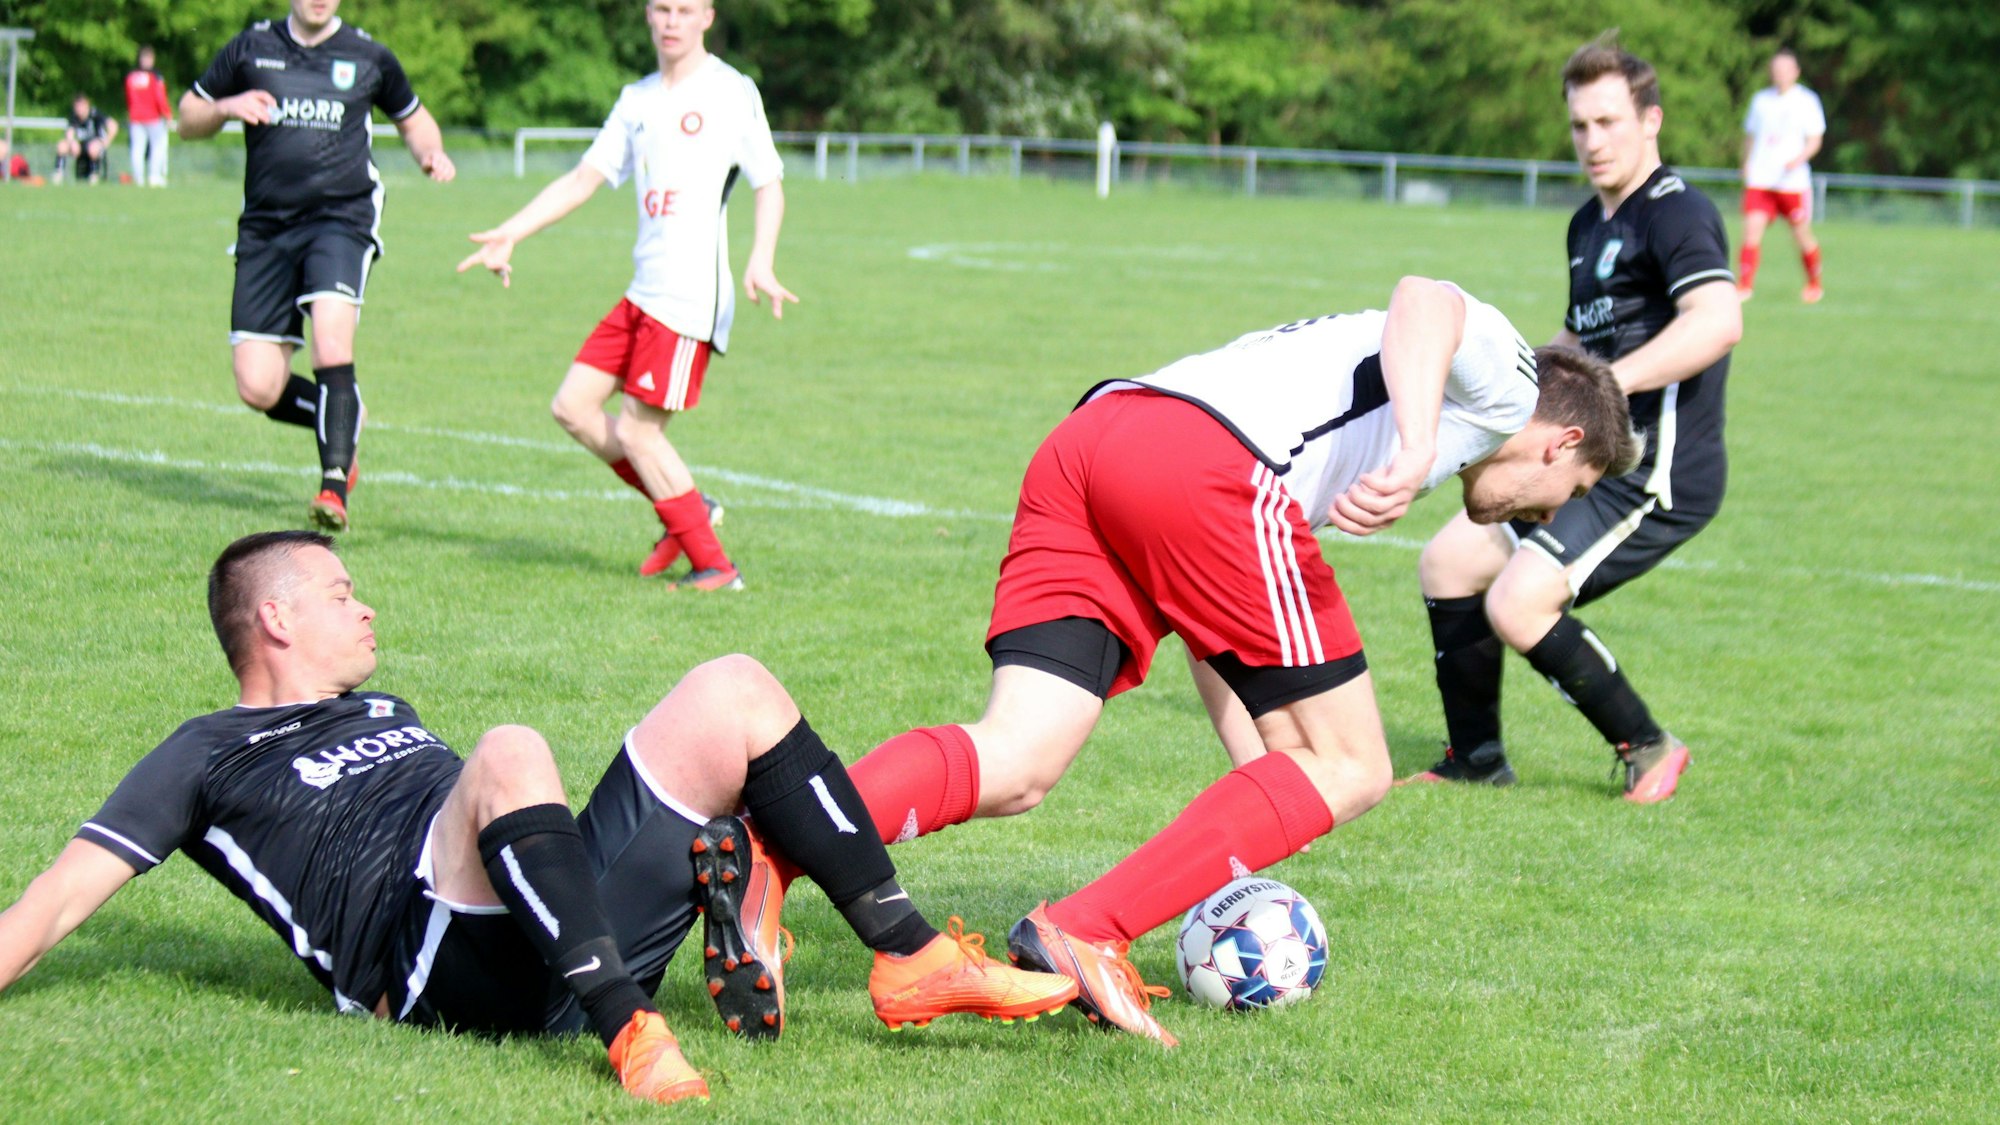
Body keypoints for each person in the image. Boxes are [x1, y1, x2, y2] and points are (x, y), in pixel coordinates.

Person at [0, 531, 1076, 1107]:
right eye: (338, 593)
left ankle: (909, 954)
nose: (363, 605)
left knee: (732, 684)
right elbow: (54, 901)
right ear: (274, 618)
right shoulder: (203, 753)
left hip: (540, 924)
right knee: (509, 748)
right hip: (421, 972)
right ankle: (632, 1031)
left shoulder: (380, 707)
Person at [843, 277, 1642, 1045]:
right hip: (1210, 463)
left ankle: (762, 839)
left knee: (1017, 755)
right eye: (1576, 488)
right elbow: (1425, 297)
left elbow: (1219, 633)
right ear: (1562, 442)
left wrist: (1259, 804)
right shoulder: (1509, 388)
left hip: (1099, 436)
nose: (1552, 514)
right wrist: (1417, 443)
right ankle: (1085, 930)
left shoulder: (1353, 430)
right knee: (1356, 763)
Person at [1407, 34, 1742, 803]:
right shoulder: (1589, 224)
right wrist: (1509, 379)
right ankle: (1477, 759)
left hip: (1655, 469)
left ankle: (1651, 749)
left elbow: (1717, 320)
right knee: (1448, 563)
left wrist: (1605, 390)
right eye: (1580, 126)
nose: (1593, 141)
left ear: (1650, 121)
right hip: (1584, 461)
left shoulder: (1676, 211)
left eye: (1609, 122)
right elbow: (1576, 340)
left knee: (1517, 601)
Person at [458, 0, 797, 591]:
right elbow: (583, 178)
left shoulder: (730, 91)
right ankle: (687, 507)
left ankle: (716, 566)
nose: (671, 21)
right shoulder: (636, 99)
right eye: (661, 8)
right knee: (573, 407)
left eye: (684, 10)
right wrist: (512, 231)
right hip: (644, 290)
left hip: (689, 296)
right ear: (647, 15)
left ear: (707, 18)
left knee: (641, 432)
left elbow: (769, 182)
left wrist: (761, 259)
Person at [178, 0, 457, 533]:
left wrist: (430, 153)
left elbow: (415, 120)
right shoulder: (250, 48)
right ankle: (344, 414)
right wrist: (228, 106)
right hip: (265, 230)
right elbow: (188, 118)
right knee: (258, 386)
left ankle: (333, 485)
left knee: (333, 342)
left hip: (341, 220)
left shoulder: (368, 54)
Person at [1737, 48, 1826, 303]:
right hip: (1761, 180)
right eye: (1776, 70)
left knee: (1801, 235)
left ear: (1796, 72)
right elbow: (1751, 136)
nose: (1780, 74)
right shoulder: (1761, 100)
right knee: (1751, 231)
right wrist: (1745, 164)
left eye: (1785, 69)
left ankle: (1814, 283)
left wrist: (1798, 159)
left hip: (1792, 183)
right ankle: (1744, 285)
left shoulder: (1807, 101)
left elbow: (1815, 139)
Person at [124, 45, 173, 187]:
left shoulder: (131, 77)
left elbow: (128, 98)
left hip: (135, 117)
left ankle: (138, 178)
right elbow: (160, 97)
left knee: (137, 148)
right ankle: (154, 176)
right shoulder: (155, 76)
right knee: (158, 146)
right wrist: (167, 113)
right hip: (153, 117)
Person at [54, 93, 117, 184]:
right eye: (77, 106)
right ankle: (58, 174)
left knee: (93, 148)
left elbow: (113, 125)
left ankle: (94, 174)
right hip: (80, 145)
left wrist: (106, 142)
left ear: (87, 105)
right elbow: (69, 132)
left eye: (81, 106)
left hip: (95, 145)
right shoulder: (74, 116)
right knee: (62, 145)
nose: (79, 109)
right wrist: (72, 143)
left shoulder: (95, 114)